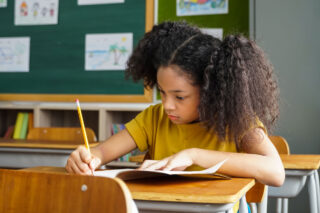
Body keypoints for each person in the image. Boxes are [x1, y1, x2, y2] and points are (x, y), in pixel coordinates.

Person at [66, 21, 285, 187]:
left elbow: (276, 172)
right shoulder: (154, 118)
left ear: (210, 91)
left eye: (179, 97)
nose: (167, 105)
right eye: (162, 92)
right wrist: (88, 158)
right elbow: (102, 152)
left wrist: (195, 155)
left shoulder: (236, 121)